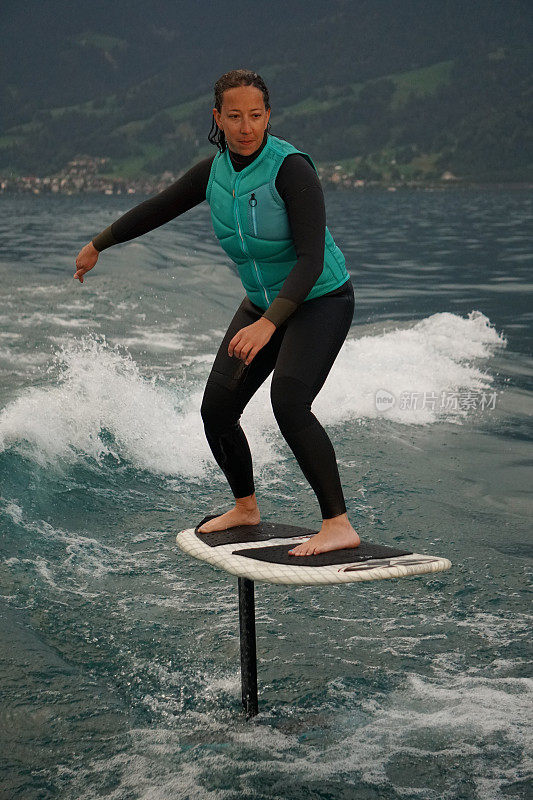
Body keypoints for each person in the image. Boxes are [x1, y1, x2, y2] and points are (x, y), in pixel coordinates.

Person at [74, 69, 360, 556]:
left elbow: (311, 259)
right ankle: (246, 506)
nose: (246, 126)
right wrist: (99, 243)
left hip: (320, 299)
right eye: (235, 116)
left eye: (255, 115)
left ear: (268, 116)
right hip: (263, 303)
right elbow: (158, 207)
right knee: (218, 410)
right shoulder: (214, 173)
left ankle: (337, 523)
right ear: (218, 119)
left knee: (289, 404)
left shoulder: (291, 169)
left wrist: (269, 325)